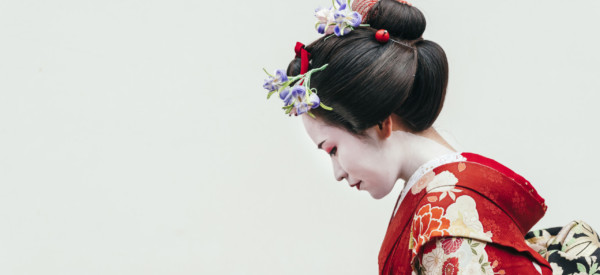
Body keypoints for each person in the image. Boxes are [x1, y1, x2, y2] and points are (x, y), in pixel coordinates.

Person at [262, 0, 600, 274]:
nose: (337, 171)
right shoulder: (448, 196)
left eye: (332, 149)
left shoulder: (445, 222)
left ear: (381, 122)